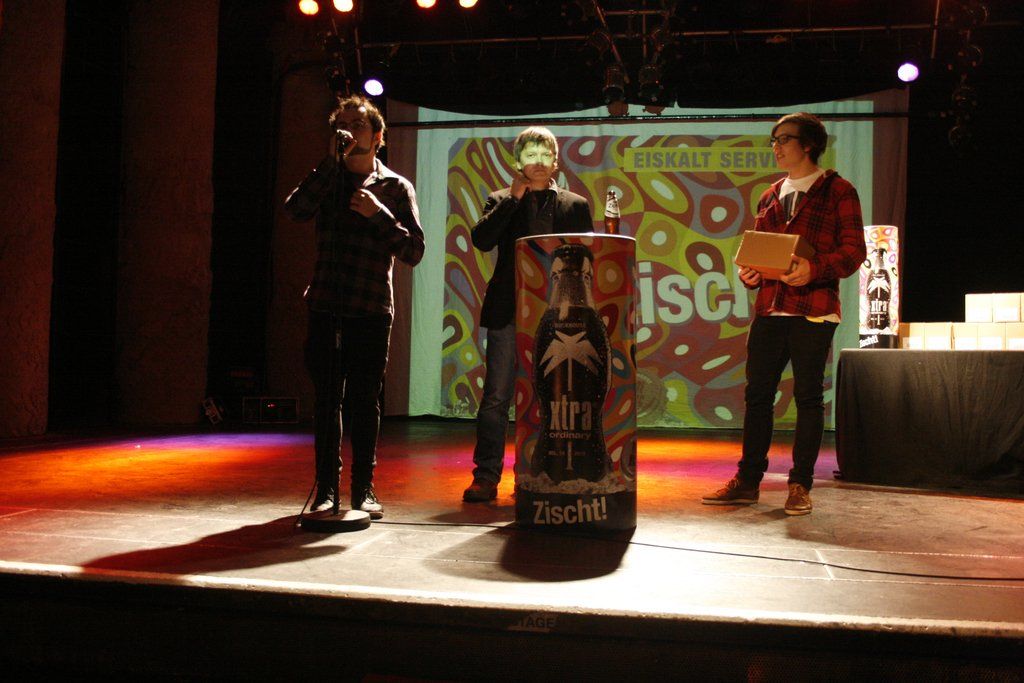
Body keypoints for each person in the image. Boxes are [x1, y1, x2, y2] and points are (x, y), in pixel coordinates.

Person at [702, 112, 865, 515]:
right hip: (771, 309)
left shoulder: (838, 190)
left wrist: (815, 268)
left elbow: (853, 251)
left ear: (808, 144)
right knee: (758, 395)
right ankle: (747, 481)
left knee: (807, 397)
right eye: (773, 140)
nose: (776, 147)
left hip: (813, 310)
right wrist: (752, 273)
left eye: (784, 139)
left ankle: (800, 484)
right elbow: (762, 250)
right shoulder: (770, 194)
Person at [284, 95, 424, 518]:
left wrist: (378, 214)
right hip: (326, 303)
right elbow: (295, 210)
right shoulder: (327, 177)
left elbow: (414, 251)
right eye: (341, 125)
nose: (348, 131)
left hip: (372, 307)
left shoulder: (395, 187)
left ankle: (364, 489)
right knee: (327, 400)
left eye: (358, 124)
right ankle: (326, 488)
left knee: (365, 401)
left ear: (378, 136)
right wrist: (330, 164)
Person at [463, 126, 594, 503]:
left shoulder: (575, 204)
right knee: (497, 396)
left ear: (556, 160)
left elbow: (587, 258)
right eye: (530, 155)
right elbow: (482, 240)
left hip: (559, 315)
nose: (537, 162)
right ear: (517, 161)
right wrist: (513, 199)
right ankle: (486, 475)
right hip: (509, 310)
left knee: (553, 396)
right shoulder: (500, 199)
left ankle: (545, 473)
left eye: (544, 155)